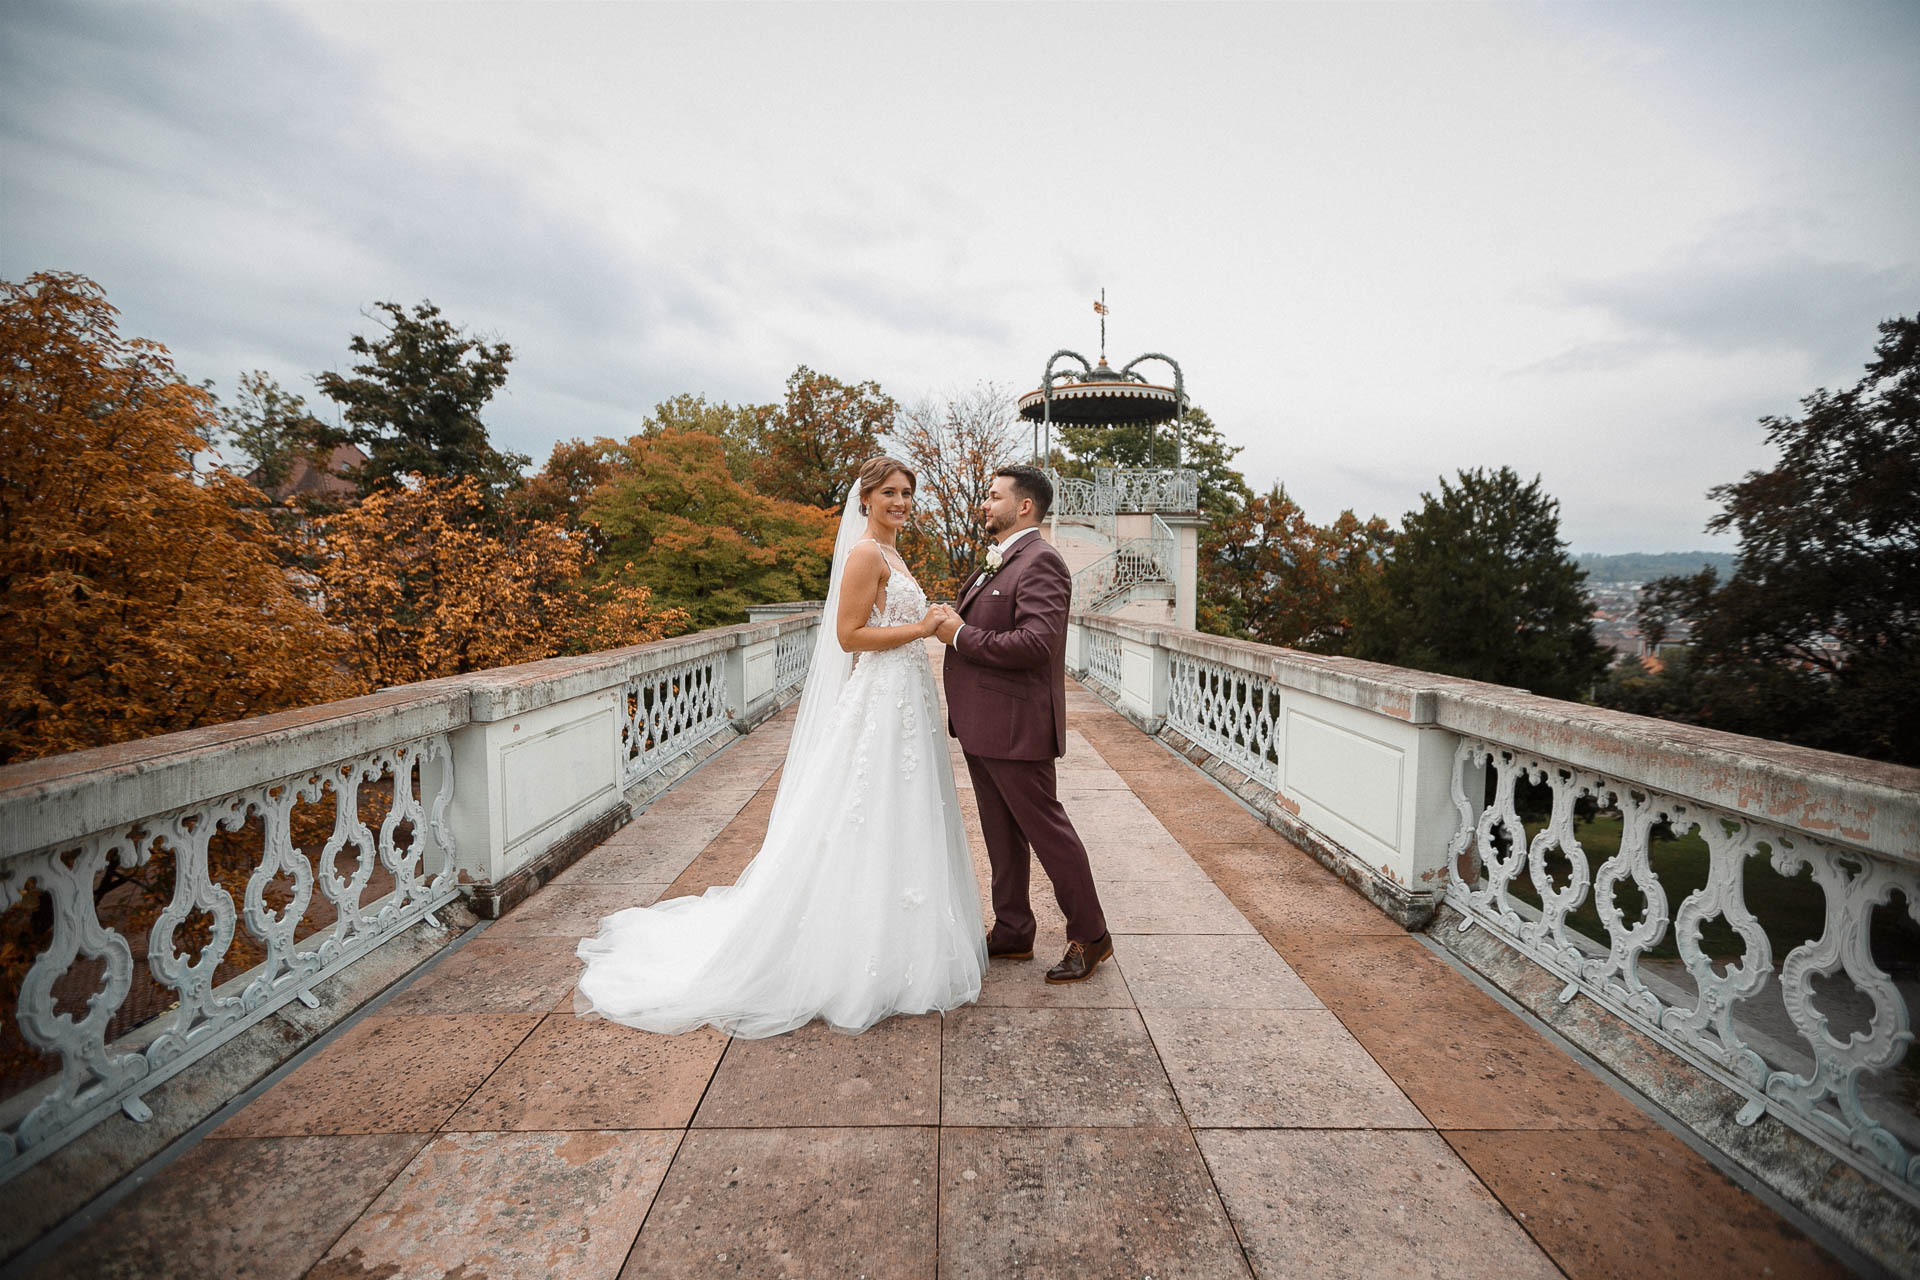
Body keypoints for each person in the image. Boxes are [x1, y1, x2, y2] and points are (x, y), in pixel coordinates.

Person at [574, 457, 986, 1037]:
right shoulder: (865, 553)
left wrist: (931, 617)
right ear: (865, 499)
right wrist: (921, 629)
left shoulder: (893, 553)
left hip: (906, 700)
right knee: (865, 811)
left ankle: (904, 938)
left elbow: (884, 617)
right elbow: (848, 636)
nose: (900, 502)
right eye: (889, 492)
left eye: (907, 493)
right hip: (881, 699)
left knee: (903, 811)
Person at [934, 465, 1112, 983]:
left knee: (1048, 834)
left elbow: (1036, 644)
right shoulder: (1001, 560)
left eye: (994, 497)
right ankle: (1013, 929)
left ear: (1025, 506)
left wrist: (959, 635)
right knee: (1001, 833)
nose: (985, 504)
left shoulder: (1041, 562)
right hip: (981, 724)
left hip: (1016, 726)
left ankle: (1092, 935)